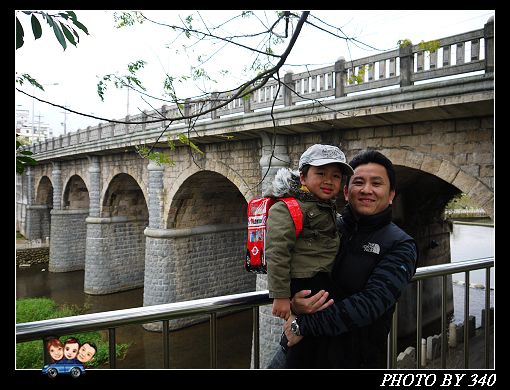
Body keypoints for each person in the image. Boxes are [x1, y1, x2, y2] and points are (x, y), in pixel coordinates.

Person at [274, 149, 418, 368]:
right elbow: (284, 258)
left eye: (377, 184)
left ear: (391, 196)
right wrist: (293, 302)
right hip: (299, 352)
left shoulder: (400, 245)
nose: (366, 190)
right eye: (358, 182)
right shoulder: (329, 228)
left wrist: (302, 326)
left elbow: (370, 304)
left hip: (352, 358)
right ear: (346, 192)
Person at [264, 143, 354, 368]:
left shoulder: (324, 206)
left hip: (322, 280)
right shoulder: (289, 207)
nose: (328, 180)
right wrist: (281, 296)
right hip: (305, 282)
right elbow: (277, 252)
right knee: (303, 346)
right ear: (303, 177)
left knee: (319, 343)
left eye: (336, 176)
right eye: (320, 173)